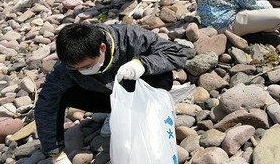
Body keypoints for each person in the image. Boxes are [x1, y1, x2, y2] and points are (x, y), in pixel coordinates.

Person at [34, 22, 186, 163]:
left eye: (87, 66)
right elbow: (46, 104)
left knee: (162, 78)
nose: (81, 71)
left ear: (102, 48)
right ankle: (115, 114)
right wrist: (56, 153)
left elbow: (177, 53)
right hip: (105, 96)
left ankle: (148, 114)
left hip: (138, 87)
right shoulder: (66, 67)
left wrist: (141, 64)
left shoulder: (130, 37)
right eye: (75, 68)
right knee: (61, 94)